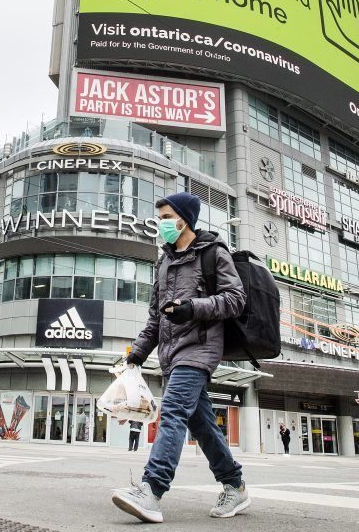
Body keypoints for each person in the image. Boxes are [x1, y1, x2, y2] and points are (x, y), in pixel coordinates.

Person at [112, 192, 248, 524]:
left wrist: (193, 308)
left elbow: (235, 299)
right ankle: (235, 484)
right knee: (201, 426)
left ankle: (151, 490)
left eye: (164, 218)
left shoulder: (213, 253)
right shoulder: (164, 262)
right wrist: (135, 355)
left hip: (200, 349)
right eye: (159, 218)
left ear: (183, 220)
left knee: (172, 411)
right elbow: (156, 319)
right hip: (171, 354)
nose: (160, 224)